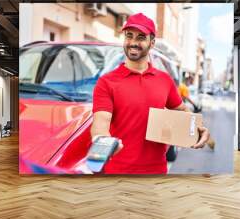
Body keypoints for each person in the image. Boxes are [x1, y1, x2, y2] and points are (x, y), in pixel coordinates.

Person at [90, 13, 210, 174]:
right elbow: (100, 122)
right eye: (129, 36)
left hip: (157, 170)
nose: (133, 42)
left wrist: (198, 128)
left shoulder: (164, 80)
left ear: (152, 43)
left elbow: (181, 110)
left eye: (140, 37)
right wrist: (101, 140)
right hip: (117, 171)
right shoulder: (107, 82)